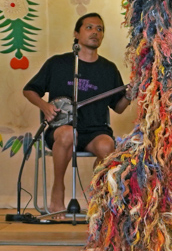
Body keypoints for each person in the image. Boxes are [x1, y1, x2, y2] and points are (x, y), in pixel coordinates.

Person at [23, 13, 131, 217]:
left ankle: (96, 196)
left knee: (107, 145)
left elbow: (118, 107)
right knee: (66, 134)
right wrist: (45, 106)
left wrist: (130, 95)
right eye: (89, 27)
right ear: (77, 33)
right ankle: (58, 191)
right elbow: (29, 90)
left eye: (100, 29)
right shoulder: (58, 63)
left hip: (95, 130)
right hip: (61, 130)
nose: (95, 32)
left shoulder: (108, 69)